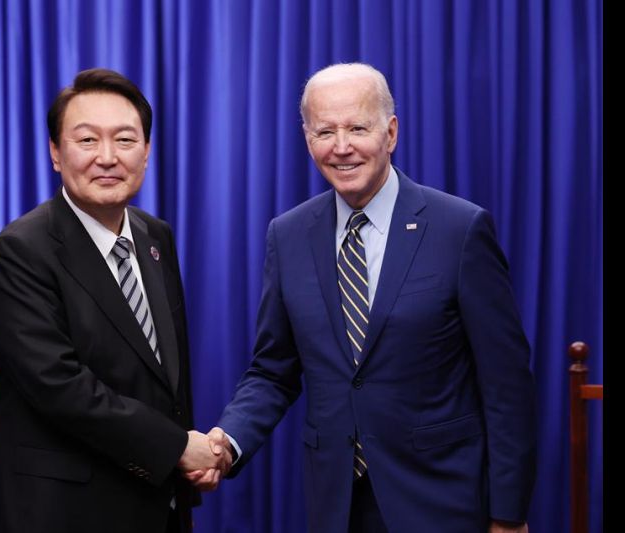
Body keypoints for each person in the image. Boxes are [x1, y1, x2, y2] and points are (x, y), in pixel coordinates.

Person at [192, 63, 537, 532]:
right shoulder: (288, 235)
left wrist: (509, 514)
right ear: (307, 138)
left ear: (390, 133)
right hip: (337, 504)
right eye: (324, 131)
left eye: (357, 128)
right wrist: (226, 442)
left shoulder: (459, 229)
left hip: (442, 500)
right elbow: (273, 370)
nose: (341, 147)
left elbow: (506, 385)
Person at [0, 68, 229, 533]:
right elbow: (60, 387)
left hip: (154, 502)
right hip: (59, 511)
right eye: (87, 141)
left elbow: (166, 378)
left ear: (147, 152)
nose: (107, 158)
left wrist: (186, 467)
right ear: (56, 153)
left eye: (125, 140)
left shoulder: (156, 236)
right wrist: (176, 447)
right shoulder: (22, 251)